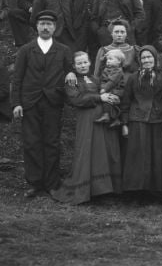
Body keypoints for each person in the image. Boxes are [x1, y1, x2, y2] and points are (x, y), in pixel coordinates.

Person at [12, 10, 74, 199]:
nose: (45, 27)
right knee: (31, 143)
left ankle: (52, 183)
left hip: (53, 102)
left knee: (52, 142)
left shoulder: (63, 50)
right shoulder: (25, 50)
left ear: (55, 27)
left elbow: (70, 72)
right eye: (42, 24)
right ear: (36, 27)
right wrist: (16, 103)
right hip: (30, 102)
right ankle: (35, 183)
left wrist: (71, 74)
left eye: (49, 24)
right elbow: (17, 78)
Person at [52, 51, 123, 204]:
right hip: (86, 121)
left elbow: (109, 89)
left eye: (85, 62)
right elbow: (77, 100)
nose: (83, 66)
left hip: (102, 120)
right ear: (74, 66)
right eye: (79, 63)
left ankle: (106, 190)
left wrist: (113, 97)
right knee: (88, 152)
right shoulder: (72, 81)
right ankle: (89, 190)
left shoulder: (96, 79)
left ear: (90, 62)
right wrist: (99, 97)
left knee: (104, 151)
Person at [120, 46, 162, 195]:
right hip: (137, 120)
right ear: (139, 60)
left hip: (157, 120)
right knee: (138, 156)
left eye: (149, 57)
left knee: (156, 155)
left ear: (155, 59)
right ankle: (136, 191)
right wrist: (124, 123)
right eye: (143, 58)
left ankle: (156, 191)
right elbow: (126, 101)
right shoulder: (133, 78)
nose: (147, 60)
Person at [94, 49, 126, 127]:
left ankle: (108, 116)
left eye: (111, 59)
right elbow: (102, 78)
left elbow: (112, 82)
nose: (108, 61)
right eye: (107, 59)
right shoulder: (107, 69)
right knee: (109, 102)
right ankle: (115, 119)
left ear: (118, 61)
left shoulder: (118, 71)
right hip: (109, 89)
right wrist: (102, 87)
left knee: (110, 100)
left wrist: (104, 89)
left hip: (117, 90)